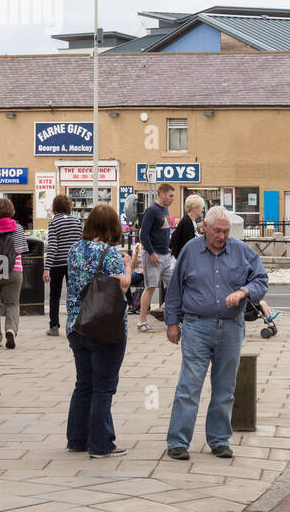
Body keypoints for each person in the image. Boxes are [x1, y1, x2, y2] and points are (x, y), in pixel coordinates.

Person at [164, 206, 267, 460]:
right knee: (189, 386)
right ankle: (178, 441)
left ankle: (219, 439)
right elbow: (175, 289)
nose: (222, 236)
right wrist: (172, 322)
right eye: (217, 231)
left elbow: (261, 279)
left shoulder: (241, 251)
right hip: (197, 326)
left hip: (231, 327)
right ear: (205, 228)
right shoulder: (190, 251)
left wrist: (244, 292)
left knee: (225, 388)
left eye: (226, 231)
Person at [65, 204, 140, 459]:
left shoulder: (74, 249)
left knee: (83, 383)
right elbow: (122, 285)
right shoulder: (110, 253)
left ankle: (77, 439)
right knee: (104, 387)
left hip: (77, 324)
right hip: (104, 327)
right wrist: (129, 266)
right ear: (113, 227)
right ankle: (101, 444)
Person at [0, 197, 29, 349]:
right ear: (11, 210)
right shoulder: (18, 228)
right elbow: (21, 250)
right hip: (14, 270)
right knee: (12, 304)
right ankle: (11, 329)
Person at [137, 183, 176, 332]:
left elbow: (165, 231)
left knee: (173, 284)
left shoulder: (164, 209)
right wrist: (151, 252)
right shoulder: (152, 211)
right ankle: (142, 321)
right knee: (151, 287)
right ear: (161, 194)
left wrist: (169, 249)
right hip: (153, 255)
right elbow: (144, 234)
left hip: (165, 254)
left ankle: (170, 314)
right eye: (170, 196)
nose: (172, 199)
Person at [43, 194, 82, 337]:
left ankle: (54, 326)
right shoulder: (77, 221)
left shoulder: (54, 223)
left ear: (55, 208)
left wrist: (46, 268)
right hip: (73, 263)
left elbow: (52, 246)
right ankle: (75, 324)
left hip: (57, 264)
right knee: (74, 294)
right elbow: (81, 242)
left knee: (55, 295)